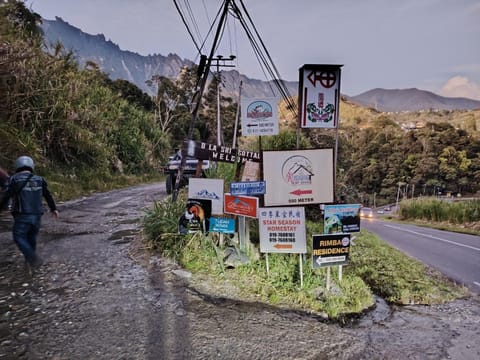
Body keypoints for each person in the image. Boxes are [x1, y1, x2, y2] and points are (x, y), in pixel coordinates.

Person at [0, 156, 59, 271]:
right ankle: (29, 263)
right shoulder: (40, 179)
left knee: (19, 236)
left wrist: (1, 207)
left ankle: (33, 258)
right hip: (37, 215)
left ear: (17, 166)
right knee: (32, 237)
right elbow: (47, 195)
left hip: (22, 215)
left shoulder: (14, 180)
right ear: (31, 166)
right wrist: (54, 209)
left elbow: (7, 196)